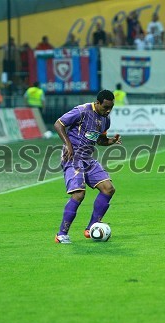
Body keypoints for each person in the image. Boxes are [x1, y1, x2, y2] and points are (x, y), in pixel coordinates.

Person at [54, 90, 122, 243]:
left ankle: (91, 227)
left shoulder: (105, 119)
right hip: (72, 157)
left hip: (87, 158)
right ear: (97, 103)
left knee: (108, 188)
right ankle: (61, 234)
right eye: (105, 107)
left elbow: (100, 140)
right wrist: (68, 145)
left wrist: (110, 141)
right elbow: (59, 124)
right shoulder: (82, 111)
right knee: (79, 194)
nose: (108, 110)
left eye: (111, 107)